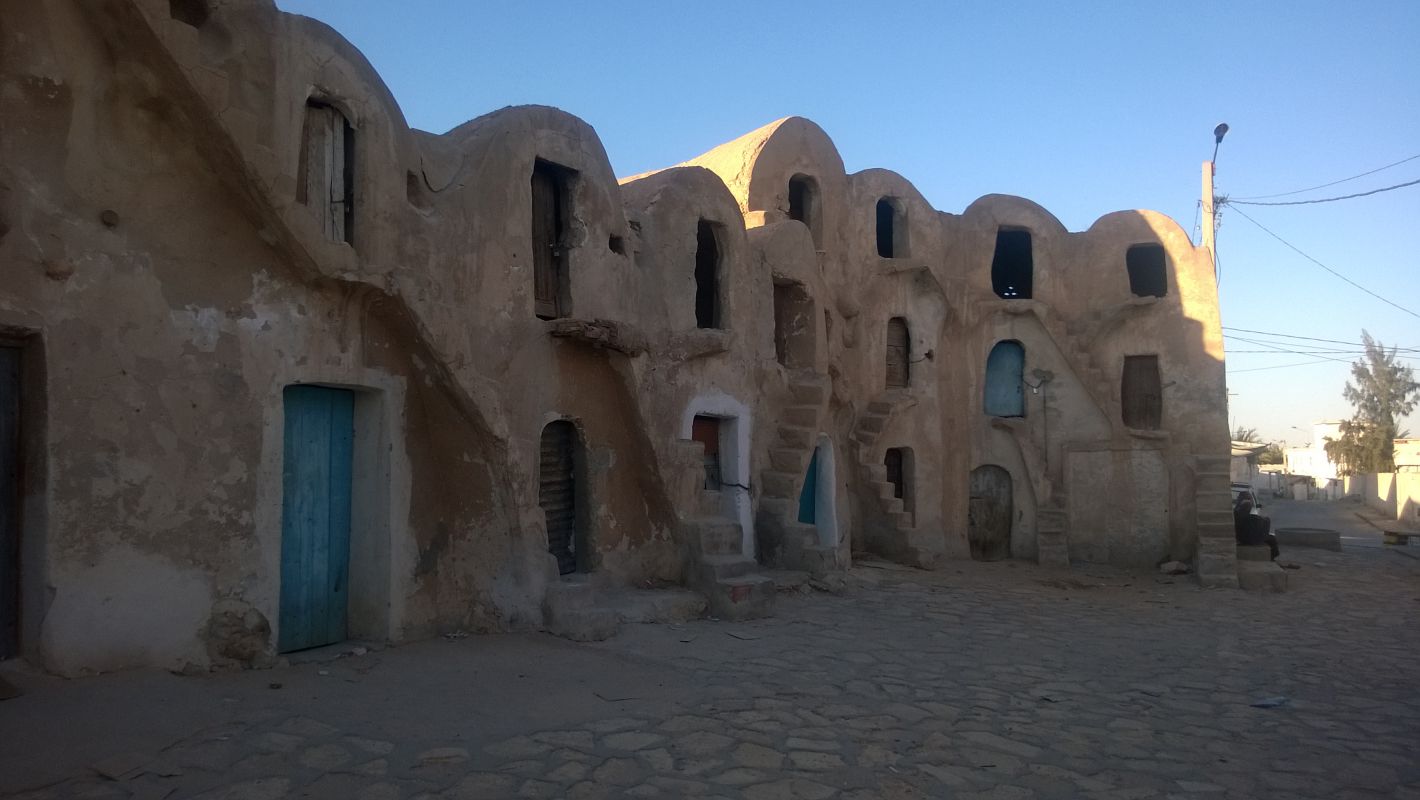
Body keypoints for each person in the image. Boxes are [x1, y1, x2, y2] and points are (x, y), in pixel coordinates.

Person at [1233, 493, 1279, 560]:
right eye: (1248, 499)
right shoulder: (1243, 509)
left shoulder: (1237, 511)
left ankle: (1271, 558)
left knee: (1271, 539)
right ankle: (1271, 559)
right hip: (1246, 538)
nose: (1249, 503)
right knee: (1272, 539)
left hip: (1244, 536)